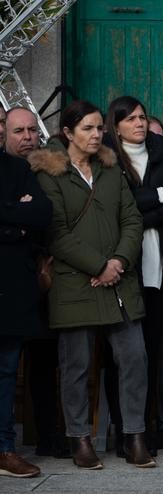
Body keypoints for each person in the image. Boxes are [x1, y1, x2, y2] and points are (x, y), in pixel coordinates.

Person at [28, 100, 155, 469]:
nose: (97, 134)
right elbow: (57, 233)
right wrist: (99, 264)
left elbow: (132, 218)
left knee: (134, 357)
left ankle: (134, 436)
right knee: (76, 366)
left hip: (119, 283)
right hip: (75, 283)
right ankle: (80, 439)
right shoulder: (49, 174)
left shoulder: (111, 169)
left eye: (100, 127)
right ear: (68, 132)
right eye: (87, 128)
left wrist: (117, 262)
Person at [105, 96, 163, 452]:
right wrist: (155, 197)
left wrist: (145, 208)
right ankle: (124, 430)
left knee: (151, 354)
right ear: (117, 125)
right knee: (125, 357)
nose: (140, 124)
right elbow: (116, 206)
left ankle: (145, 428)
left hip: (159, 270)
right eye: (132, 119)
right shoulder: (107, 159)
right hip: (126, 270)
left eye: (142, 117)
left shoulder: (159, 154)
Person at [0, 146, 51, 477]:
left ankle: (4, 449)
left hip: (11, 289)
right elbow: (23, 219)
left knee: (5, 370)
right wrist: (13, 224)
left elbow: (41, 214)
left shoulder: (17, 169)